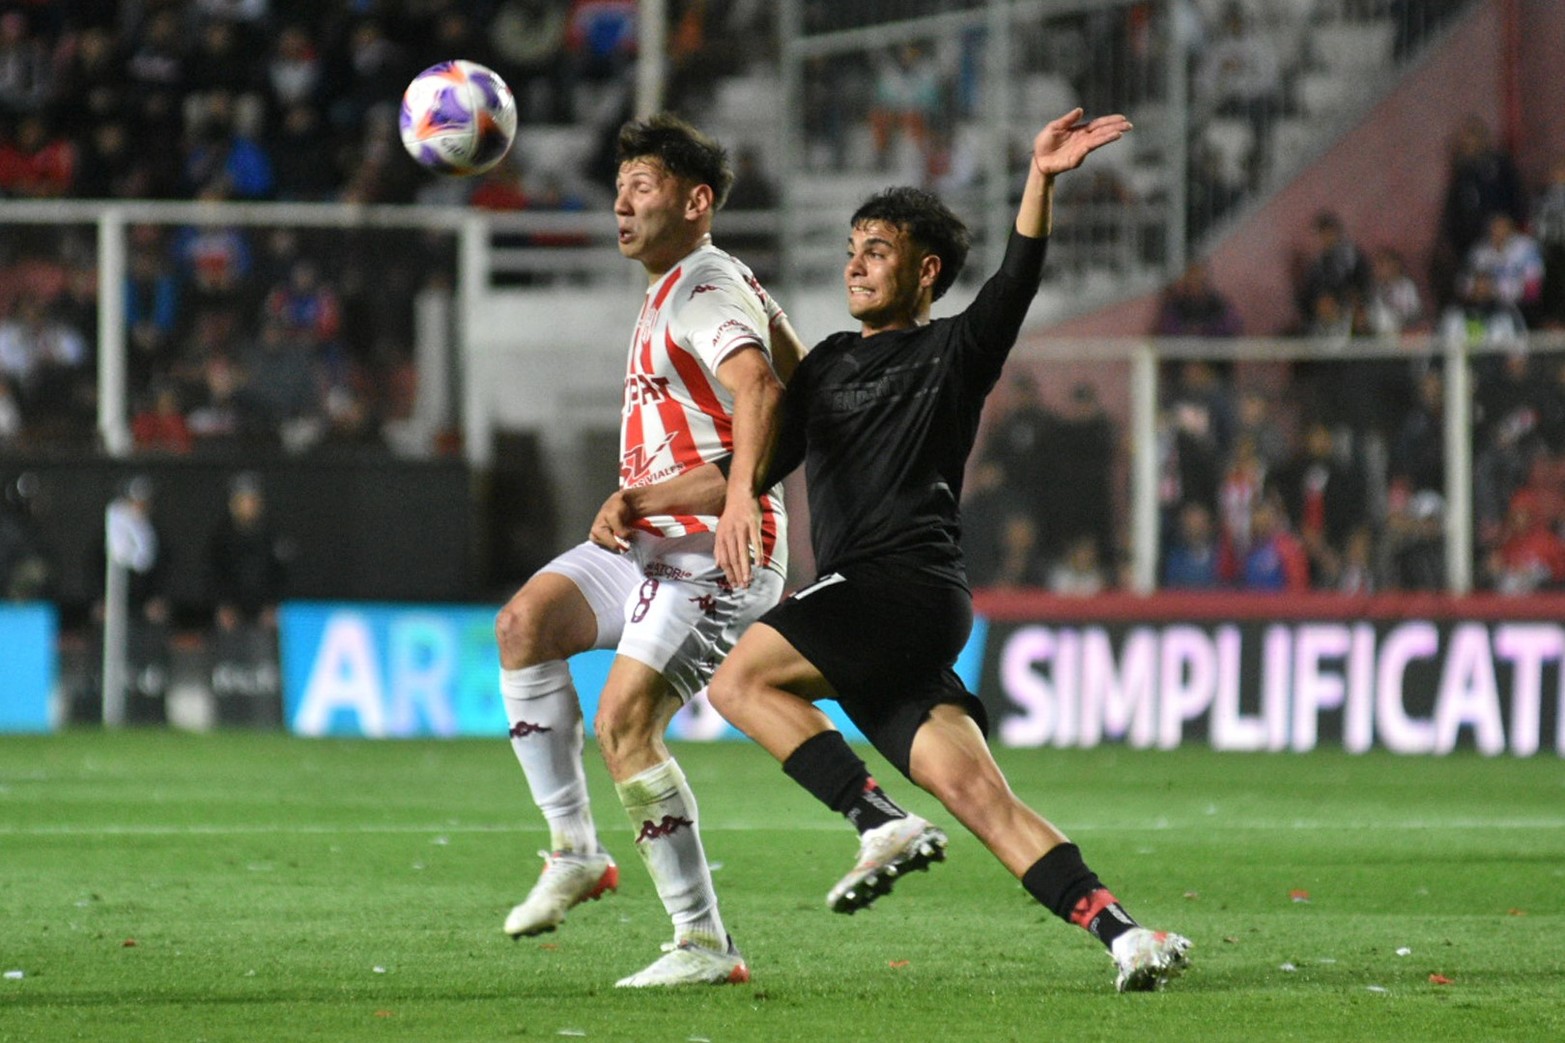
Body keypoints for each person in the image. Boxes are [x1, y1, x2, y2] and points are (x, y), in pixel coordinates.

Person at [606, 108, 1191, 992]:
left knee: (738, 680)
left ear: (925, 271)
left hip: (895, 585)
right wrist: (643, 498)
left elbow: (1016, 279)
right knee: (981, 798)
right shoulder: (831, 363)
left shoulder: (955, 350)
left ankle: (875, 817)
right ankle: (1126, 935)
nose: (854, 261)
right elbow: (750, 464)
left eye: (875, 248)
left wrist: (1039, 177)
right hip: (893, 616)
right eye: (850, 246)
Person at [493, 113, 805, 988]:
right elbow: (801, 376)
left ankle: (703, 941)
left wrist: (741, 490)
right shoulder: (691, 280)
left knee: (626, 722)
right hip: (651, 539)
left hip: (712, 550)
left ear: (695, 201)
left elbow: (762, 392)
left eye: (643, 187)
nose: (621, 204)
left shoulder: (703, 284)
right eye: (619, 187)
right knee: (525, 624)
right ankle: (575, 850)